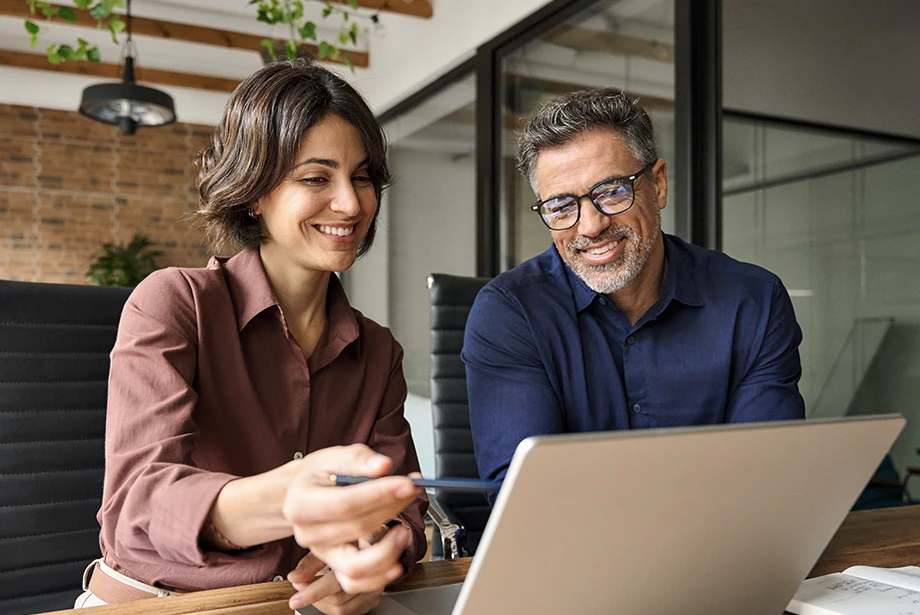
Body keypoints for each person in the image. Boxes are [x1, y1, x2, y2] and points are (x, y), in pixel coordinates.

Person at [75, 59, 428, 615]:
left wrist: (373, 561)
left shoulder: (378, 350)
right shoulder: (173, 303)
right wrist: (287, 498)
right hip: (160, 603)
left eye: (361, 176)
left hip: (292, 603)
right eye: (317, 178)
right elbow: (136, 505)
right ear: (254, 192)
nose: (352, 203)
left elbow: (405, 511)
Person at [462, 88, 806, 494]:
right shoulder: (510, 314)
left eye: (611, 191)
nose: (590, 226)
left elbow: (768, 478)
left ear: (658, 185)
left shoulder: (753, 302)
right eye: (560, 206)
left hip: (725, 551)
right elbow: (525, 498)